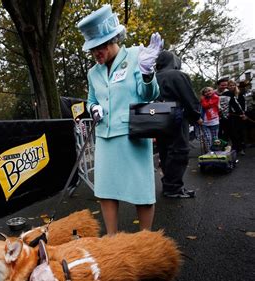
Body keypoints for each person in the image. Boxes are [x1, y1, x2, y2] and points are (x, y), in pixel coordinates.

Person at [77, 5, 162, 235]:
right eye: (92, 49)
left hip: (132, 135)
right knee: (106, 191)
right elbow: (91, 99)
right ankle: (113, 242)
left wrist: (146, 73)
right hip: (104, 137)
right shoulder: (93, 72)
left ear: (112, 39)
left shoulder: (136, 56)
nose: (95, 54)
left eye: (98, 47)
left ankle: (145, 242)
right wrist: (93, 108)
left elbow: (149, 95)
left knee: (141, 192)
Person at [154, 51, 202, 198]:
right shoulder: (177, 75)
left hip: (158, 118)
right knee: (179, 151)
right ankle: (173, 188)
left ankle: (169, 185)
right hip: (177, 117)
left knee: (165, 152)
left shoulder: (153, 77)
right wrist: (196, 116)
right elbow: (189, 98)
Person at [224, 79, 247, 155]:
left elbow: (242, 104)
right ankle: (235, 148)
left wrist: (243, 113)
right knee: (233, 132)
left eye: (233, 85)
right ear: (228, 86)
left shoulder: (239, 93)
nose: (232, 86)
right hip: (231, 116)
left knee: (241, 132)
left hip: (240, 115)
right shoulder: (226, 94)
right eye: (230, 85)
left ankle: (242, 148)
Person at [200, 87, 220, 152]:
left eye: (209, 91)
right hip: (205, 122)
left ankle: (216, 151)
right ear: (204, 94)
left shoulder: (216, 97)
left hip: (214, 121)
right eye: (205, 92)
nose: (208, 92)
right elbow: (203, 107)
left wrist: (203, 100)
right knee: (208, 138)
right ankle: (209, 152)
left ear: (213, 91)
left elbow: (206, 105)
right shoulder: (203, 99)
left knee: (215, 138)